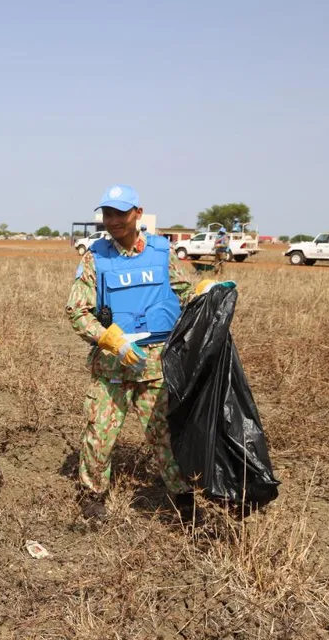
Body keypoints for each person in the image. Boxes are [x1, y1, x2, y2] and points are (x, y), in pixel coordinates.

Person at [66, 184, 229, 521]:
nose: (113, 220)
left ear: (137, 213)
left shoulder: (162, 252)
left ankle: (183, 497)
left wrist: (205, 292)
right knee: (99, 433)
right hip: (112, 365)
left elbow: (183, 294)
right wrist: (111, 340)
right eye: (107, 214)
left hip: (157, 365)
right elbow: (77, 311)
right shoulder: (95, 257)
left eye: (120, 213)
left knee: (165, 434)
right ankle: (92, 495)